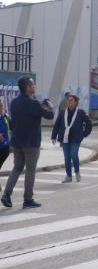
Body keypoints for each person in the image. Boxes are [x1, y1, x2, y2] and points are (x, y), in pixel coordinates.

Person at [1, 76, 55, 209]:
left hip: (16, 141)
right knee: (30, 170)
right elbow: (49, 115)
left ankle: (6, 194)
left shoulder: (14, 102)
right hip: (31, 142)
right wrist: (50, 107)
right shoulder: (33, 103)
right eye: (33, 84)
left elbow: (30, 111)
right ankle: (28, 199)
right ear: (27, 87)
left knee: (17, 167)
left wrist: (38, 104)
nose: (35, 86)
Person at [51, 93, 92, 183]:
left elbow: (89, 123)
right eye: (68, 100)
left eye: (71, 100)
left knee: (73, 154)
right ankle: (68, 176)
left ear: (76, 102)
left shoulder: (80, 112)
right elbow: (57, 124)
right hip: (65, 138)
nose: (69, 102)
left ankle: (77, 172)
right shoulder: (63, 112)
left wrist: (84, 134)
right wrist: (54, 136)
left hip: (76, 138)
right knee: (67, 157)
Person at [0, 99, 11, 192]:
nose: (1, 108)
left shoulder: (6, 117)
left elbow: (14, 127)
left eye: (2, 106)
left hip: (4, 147)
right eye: (0, 106)